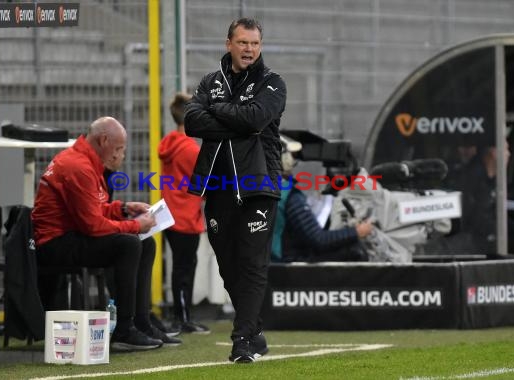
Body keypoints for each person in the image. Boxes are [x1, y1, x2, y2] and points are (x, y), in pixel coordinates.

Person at [184, 18, 286, 363]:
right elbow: (191, 123)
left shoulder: (273, 83)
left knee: (252, 264)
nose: (249, 50)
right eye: (243, 43)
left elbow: (256, 119)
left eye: (255, 44)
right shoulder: (210, 82)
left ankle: (241, 340)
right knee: (228, 265)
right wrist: (235, 118)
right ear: (229, 43)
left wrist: (218, 111)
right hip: (218, 185)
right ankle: (254, 330)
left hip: (259, 184)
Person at [32, 116, 181, 351]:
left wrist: (122, 209)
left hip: (69, 236)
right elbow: (92, 225)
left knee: (146, 243)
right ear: (103, 140)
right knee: (129, 244)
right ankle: (124, 329)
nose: (120, 154)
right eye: (119, 148)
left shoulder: (85, 162)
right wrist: (134, 225)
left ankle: (140, 322)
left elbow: (93, 209)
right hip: (55, 243)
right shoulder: (79, 167)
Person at [272, 137, 373, 262]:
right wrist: (356, 232)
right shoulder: (288, 195)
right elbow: (319, 239)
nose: (293, 161)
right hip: (286, 269)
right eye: (292, 156)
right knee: (354, 251)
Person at [158, 92, 210, 334]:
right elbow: (206, 184)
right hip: (185, 216)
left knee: (182, 266)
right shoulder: (189, 149)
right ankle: (183, 318)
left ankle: (182, 316)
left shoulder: (170, 143)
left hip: (171, 214)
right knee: (185, 268)